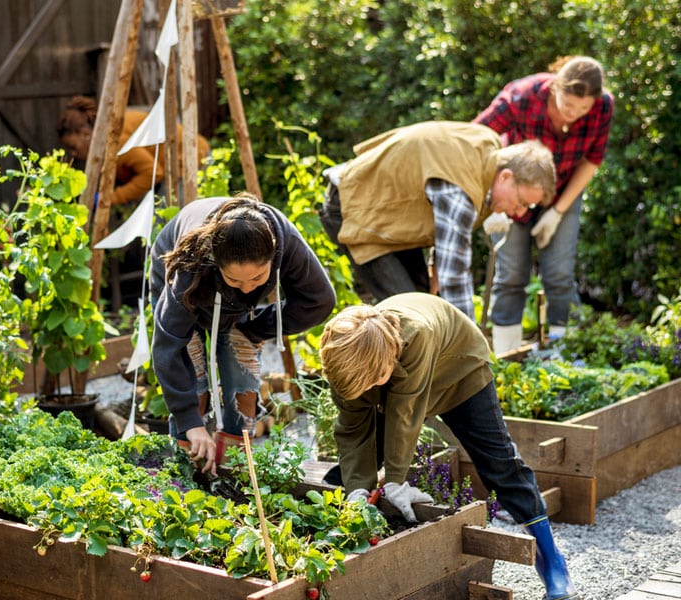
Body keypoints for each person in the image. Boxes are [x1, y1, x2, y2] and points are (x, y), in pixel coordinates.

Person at [319, 293, 580, 600]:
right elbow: (353, 431)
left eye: (375, 380)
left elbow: (405, 415)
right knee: (353, 471)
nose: (368, 389)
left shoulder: (417, 335)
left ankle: (551, 561)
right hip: (392, 377)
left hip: (459, 370)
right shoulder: (346, 359)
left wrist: (395, 482)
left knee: (498, 463)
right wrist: (358, 492)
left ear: (387, 358)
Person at [150, 193, 336, 475]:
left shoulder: (284, 239)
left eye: (258, 278)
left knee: (242, 374)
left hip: (235, 309)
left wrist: (255, 327)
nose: (248, 288)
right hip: (187, 286)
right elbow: (167, 346)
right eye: (235, 279)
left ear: (273, 257)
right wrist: (190, 422)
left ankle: (233, 471)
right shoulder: (189, 262)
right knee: (194, 374)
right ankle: (186, 473)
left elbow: (319, 300)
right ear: (216, 262)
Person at [319, 121, 556, 320]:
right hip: (353, 207)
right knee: (410, 315)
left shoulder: (488, 148)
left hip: (388, 215)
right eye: (522, 202)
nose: (519, 212)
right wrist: (472, 354)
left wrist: (436, 261)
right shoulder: (461, 190)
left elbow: (439, 208)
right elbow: (454, 279)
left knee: (424, 302)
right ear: (506, 176)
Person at [473, 56, 614, 354]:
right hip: (516, 191)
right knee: (510, 276)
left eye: (583, 108)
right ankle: (505, 356)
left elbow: (592, 160)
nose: (574, 114)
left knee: (560, 275)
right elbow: (476, 138)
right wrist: (486, 196)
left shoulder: (603, 106)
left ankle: (565, 356)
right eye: (568, 104)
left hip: (564, 191)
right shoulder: (523, 96)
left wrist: (558, 211)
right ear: (555, 88)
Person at [57, 95, 210, 205]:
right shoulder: (106, 135)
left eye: (73, 147)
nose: (73, 154)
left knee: (166, 222)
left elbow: (153, 172)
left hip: (191, 157)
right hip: (176, 163)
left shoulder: (114, 141)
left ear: (85, 135)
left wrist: (112, 198)